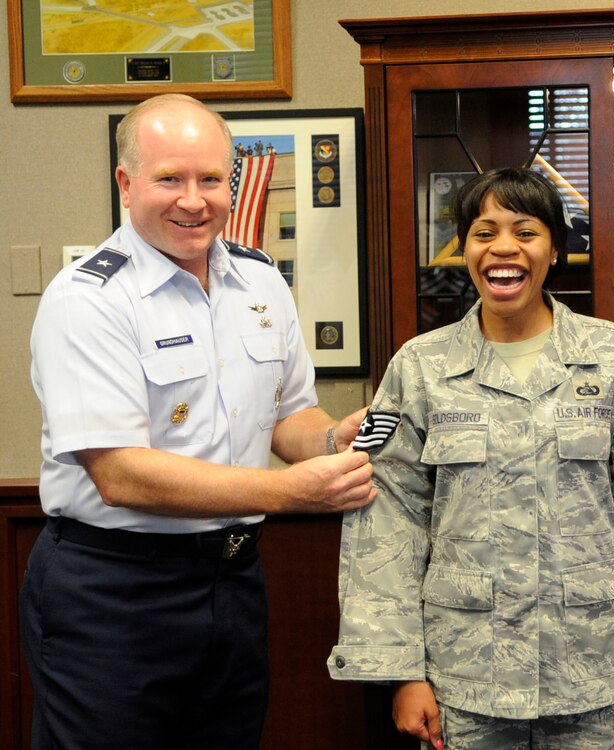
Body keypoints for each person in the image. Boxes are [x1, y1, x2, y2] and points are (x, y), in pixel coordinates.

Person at [21, 93, 377, 750]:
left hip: (233, 582)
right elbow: (122, 474)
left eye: (211, 179)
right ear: (127, 184)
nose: (194, 200)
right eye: (170, 179)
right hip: (114, 591)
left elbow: (288, 418)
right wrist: (290, 493)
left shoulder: (259, 280)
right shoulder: (90, 299)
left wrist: (334, 439)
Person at [328, 167, 614, 749]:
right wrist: (403, 673)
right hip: (465, 675)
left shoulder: (612, 357)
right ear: (463, 250)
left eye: (525, 231)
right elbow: (387, 523)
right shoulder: (419, 367)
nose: (504, 249)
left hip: (595, 671)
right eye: (484, 233)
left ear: (555, 249)